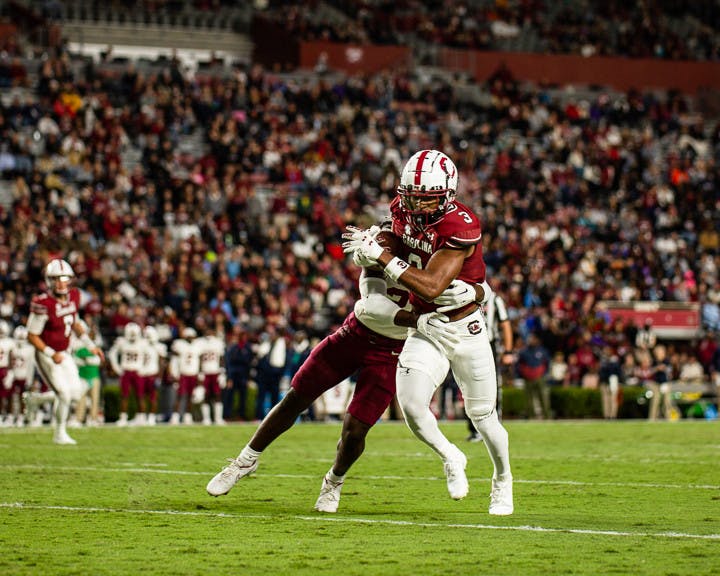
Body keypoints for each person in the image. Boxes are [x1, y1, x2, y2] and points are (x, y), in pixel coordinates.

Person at [206, 227, 484, 512]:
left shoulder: (443, 254)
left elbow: (478, 289)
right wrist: (417, 320)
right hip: (355, 335)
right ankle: (245, 460)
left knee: (356, 429)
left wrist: (477, 290)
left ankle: (333, 482)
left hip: (393, 351)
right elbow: (371, 306)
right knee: (296, 396)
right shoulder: (384, 243)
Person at [341, 149, 513, 515]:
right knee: (412, 405)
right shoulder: (401, 211)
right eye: (411, 193)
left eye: (426, 195)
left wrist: (384, 257)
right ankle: (451, 456)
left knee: (484, 418)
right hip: (427, 325)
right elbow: (395, 244)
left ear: (447, 194)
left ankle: (503, 479)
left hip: (465, 326)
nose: (416, 202)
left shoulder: (460, 224)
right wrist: (374, 248)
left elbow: (432, 285)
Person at [25, 258, 104, 444]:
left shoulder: (74, 297)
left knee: (76, 393)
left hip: (65, 352)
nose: (61, 282)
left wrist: (90, 345)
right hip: (47, 354)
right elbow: (32, 335)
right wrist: (51, 353)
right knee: (64, 394)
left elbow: (75, 323)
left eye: (64, 278)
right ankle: (59, 434)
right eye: (56, 278)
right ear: (49, 281)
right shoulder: (44, 303)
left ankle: (36, 400)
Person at [467, 289, 514, 441]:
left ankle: (493, 426)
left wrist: (508, 351)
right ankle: (475, 429)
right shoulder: (466, 293)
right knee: (467, 385)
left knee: (491, 385)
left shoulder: (494, 299)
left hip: (488, 345)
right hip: (468, 344)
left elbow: (505, 324)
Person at [107, 322, 145, 426]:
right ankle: (123, 417)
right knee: (124, 395)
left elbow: (150, 356)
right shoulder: (122, 342)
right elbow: (112, 354)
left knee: (139, 396)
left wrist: (144, 369)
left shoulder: (142, 343)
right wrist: (117, 368)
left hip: (137, 371)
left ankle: (141, 417)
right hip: (127, 371)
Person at [72, 319, 103, 426]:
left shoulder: (95, 347)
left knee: (95, 399)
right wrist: (87, 360)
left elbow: (98, 361)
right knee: (81, 399)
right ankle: (79, 419)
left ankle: (93, 419)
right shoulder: (80, 346)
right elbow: (76, 360)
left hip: (94, 375)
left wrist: (87, 360)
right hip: (82, 376)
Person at [517, 332, 551, 419]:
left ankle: (547, 416)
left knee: (544, 397)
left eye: (533, 338)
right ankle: (530, 416)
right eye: (530, 338)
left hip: (540, 377)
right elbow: (519, 365)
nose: (530, 340)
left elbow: (547, 363)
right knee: (529, 399)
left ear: (537, 340)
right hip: (528, 378)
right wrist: (523, 374)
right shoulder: (524, 351)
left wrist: (543, 373)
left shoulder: (542, 351)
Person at [197, 326, 227, 425]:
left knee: (217, 395)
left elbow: (221, 358)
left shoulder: (218, 342)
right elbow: (199, 358)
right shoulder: (200, 342)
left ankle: (218, 418)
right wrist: (200, 372)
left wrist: (222, 372)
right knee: (206, 395)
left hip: (215, 372)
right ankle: (206, 419)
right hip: (205, 372)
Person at [224, 324, 253, 420]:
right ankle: (227, 415)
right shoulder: (233, 348)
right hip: (233, 375)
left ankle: (241, 415)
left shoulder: (248, 348)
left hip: (243, 376)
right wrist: (229, 378)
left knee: (243, 397)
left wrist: (248, 378)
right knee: (230, 396)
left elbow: (249, 364)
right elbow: (229, 364)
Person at [139, 325, 167, 426]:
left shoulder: (158, 347)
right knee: (142, 396)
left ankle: (151, 417)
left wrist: (159, 377)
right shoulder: (143, 345)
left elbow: (162, 363)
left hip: (151, 374)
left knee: (152, 397)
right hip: (143, 373)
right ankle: (143, 417)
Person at [0, 320, 15, 426]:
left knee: (8, 395)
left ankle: (9, 416)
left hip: (4, 369)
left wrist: (10, 372)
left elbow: (11, 357)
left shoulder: (10, 342)